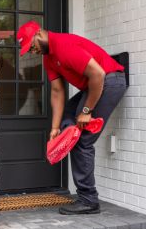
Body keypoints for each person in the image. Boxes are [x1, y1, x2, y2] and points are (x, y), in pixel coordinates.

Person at [17, 21, 126, 215]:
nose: (32, 51)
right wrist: (55, 128)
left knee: (83, 141)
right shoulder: (49, 58)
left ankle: (88, 200)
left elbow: (98, 75)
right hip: (94, 85)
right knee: (68, 115)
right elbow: (57, 92)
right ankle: (69, 136)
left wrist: (86, 110)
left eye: (31, 46)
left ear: (39, 33)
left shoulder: (64, 46)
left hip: (109, 81)